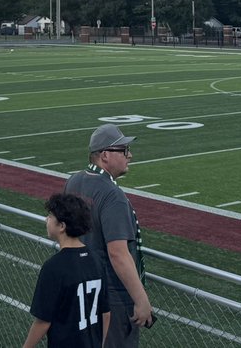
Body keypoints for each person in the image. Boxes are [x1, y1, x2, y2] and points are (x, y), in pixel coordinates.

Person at [65, 124, 153, 347]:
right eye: (124, 150)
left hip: (81, 286)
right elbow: (118, 253)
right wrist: (141, 299)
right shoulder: (112, 195)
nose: (130, 156)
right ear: (105, 155)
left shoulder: (74, 181)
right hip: (112, 295)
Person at [23, 193, 110, 348]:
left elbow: (43, 321)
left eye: (50, 216)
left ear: (62, 226)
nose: (46, 219)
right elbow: (106, 313)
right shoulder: (97, 260)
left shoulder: (54, 266)